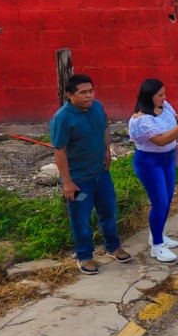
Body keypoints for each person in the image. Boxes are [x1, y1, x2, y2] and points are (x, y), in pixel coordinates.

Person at [51, 73, 131, 275]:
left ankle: (113, 247)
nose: (89, 96)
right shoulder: (62, 118)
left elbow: (104, 128)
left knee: (109, 211)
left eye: (91, 91)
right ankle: (85, 256)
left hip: (101, 175)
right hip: (79, 182)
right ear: (70, 95)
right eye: (83, 93)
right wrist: (67, 182)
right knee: (81, 219)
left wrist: (107, 150)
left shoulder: (97, 107)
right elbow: (59, 151)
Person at [128, 78, 178, 264]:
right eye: (160, 95)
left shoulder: (164, 107)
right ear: (149, 96)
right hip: (149, 163)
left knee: (167, 200)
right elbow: (161, 140)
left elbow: (174, 118)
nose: (164, 98)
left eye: (164, 94)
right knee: (159, 202)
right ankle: (157, 246)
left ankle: (157, 234)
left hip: (166, 160)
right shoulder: (142, 120)